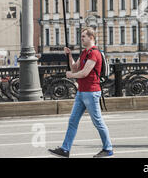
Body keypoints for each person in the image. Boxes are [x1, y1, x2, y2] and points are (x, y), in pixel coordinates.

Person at [48, 27, 113, 158]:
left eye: (84, 36)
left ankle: (108, 148)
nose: (81, 38)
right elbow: (75, 67)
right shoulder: (84, 53)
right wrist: (69, 55)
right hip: (82, 92)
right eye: (81, 36)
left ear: (91, 37)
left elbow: (84, 73)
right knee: (73, 121)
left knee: (98, 122)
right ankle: (65, 149)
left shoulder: (94, 53)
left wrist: (70, 75)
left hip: (91, 92)